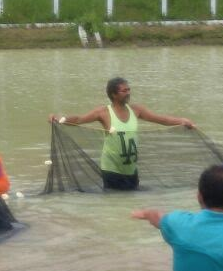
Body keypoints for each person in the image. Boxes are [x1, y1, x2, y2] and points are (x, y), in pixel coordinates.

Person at [49, 77, 194, 191]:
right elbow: (79, 119)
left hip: (131, 169)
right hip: (111, 169)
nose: (128, 93)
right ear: (114, 94)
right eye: (124, 91)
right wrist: (60, 120)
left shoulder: (136, 110)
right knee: (114, 201)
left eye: (129, 90)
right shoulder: (103, 112)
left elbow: (161, 119)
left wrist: (182, 121)